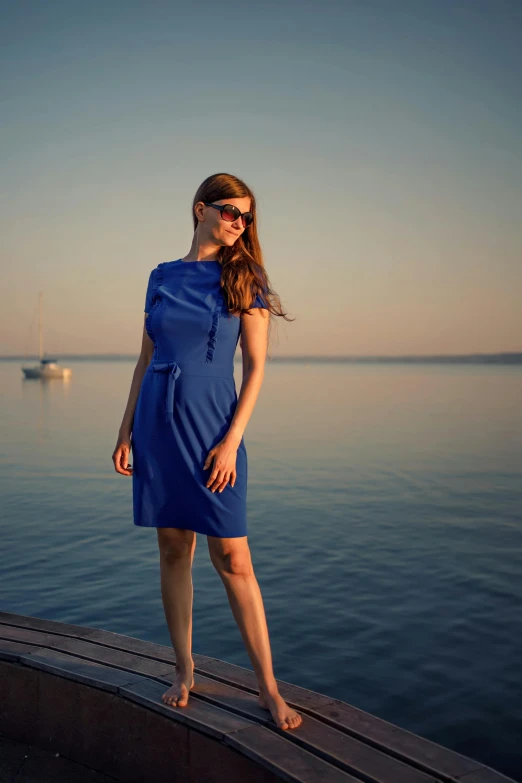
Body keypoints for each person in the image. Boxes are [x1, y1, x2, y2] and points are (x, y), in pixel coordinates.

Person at [112, 172, 302, 731]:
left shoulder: (246, 277)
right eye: (230, 212)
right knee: (174, 549)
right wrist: (125, 431)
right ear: (201, 209)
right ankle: (183, 669)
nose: (239, 223)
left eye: (246, 217)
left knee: (234, 558)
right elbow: (145, 359)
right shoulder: (161, 277)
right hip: (158, 422)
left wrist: (230, 441)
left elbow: (257, 367)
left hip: (216, 426)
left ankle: (268, 687)